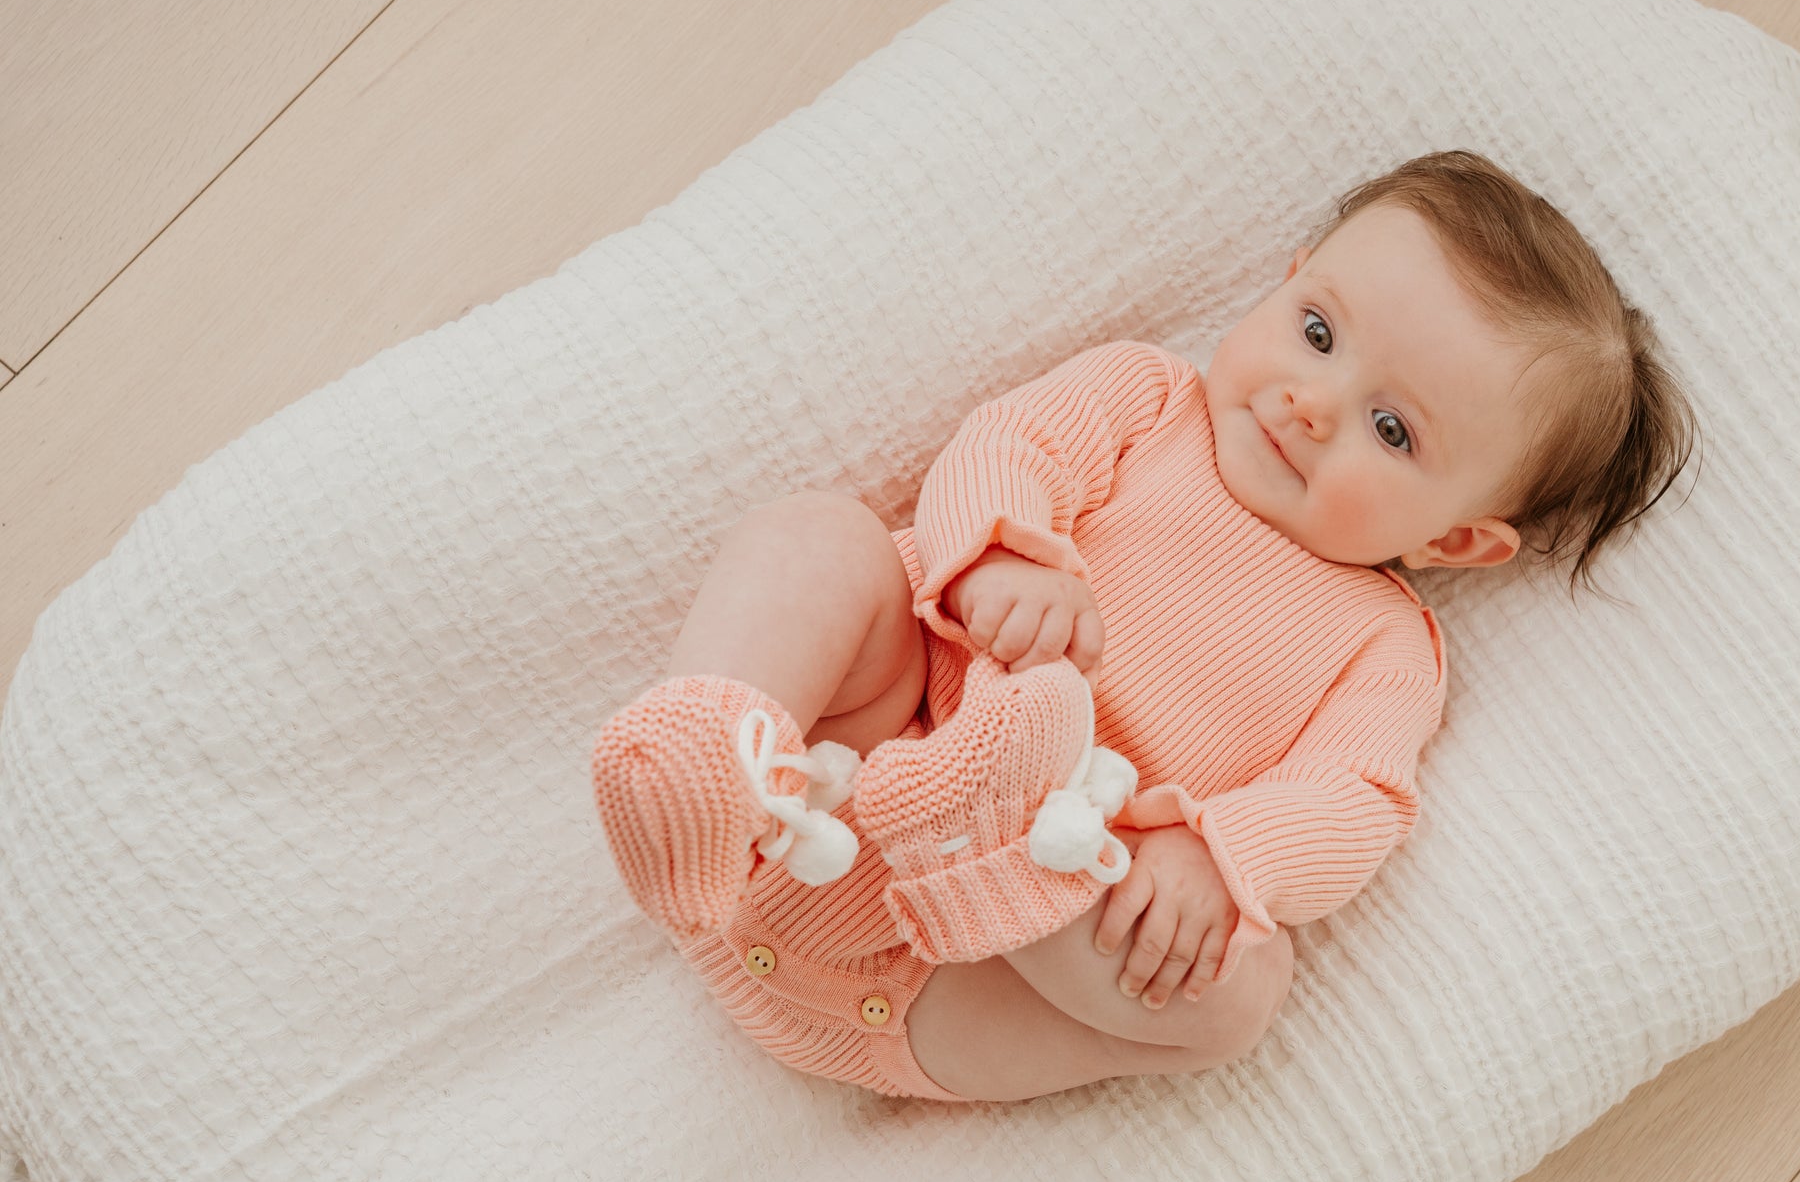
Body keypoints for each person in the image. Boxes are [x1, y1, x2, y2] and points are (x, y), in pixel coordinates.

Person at [591, 149, 1697, 1104]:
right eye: (1316, 333)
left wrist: (1221, 858)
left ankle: (981, 835)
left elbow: (1357, 796)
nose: (1311, 403)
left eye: (1393, 429)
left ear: (1457, 542)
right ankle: (705, 753)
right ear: (1285, 283)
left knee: (1237, 999)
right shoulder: (1144, 401)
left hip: (959, 963)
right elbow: (1007, 443)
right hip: (858, 749)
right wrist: (1004, 553)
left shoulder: (1386, 644)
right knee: (822, 542)